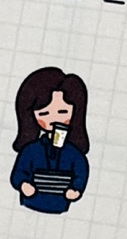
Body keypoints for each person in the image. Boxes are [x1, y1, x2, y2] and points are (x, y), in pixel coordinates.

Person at [9, 67, 91, 214]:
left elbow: (81, 171)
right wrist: (23, 184)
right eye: (44, 113)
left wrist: (76, 188)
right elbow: (19, 171)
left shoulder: (73, 153)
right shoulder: (31, 150)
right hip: (31, 201)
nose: (54, 119)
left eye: (62, 112)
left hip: (61, 203)